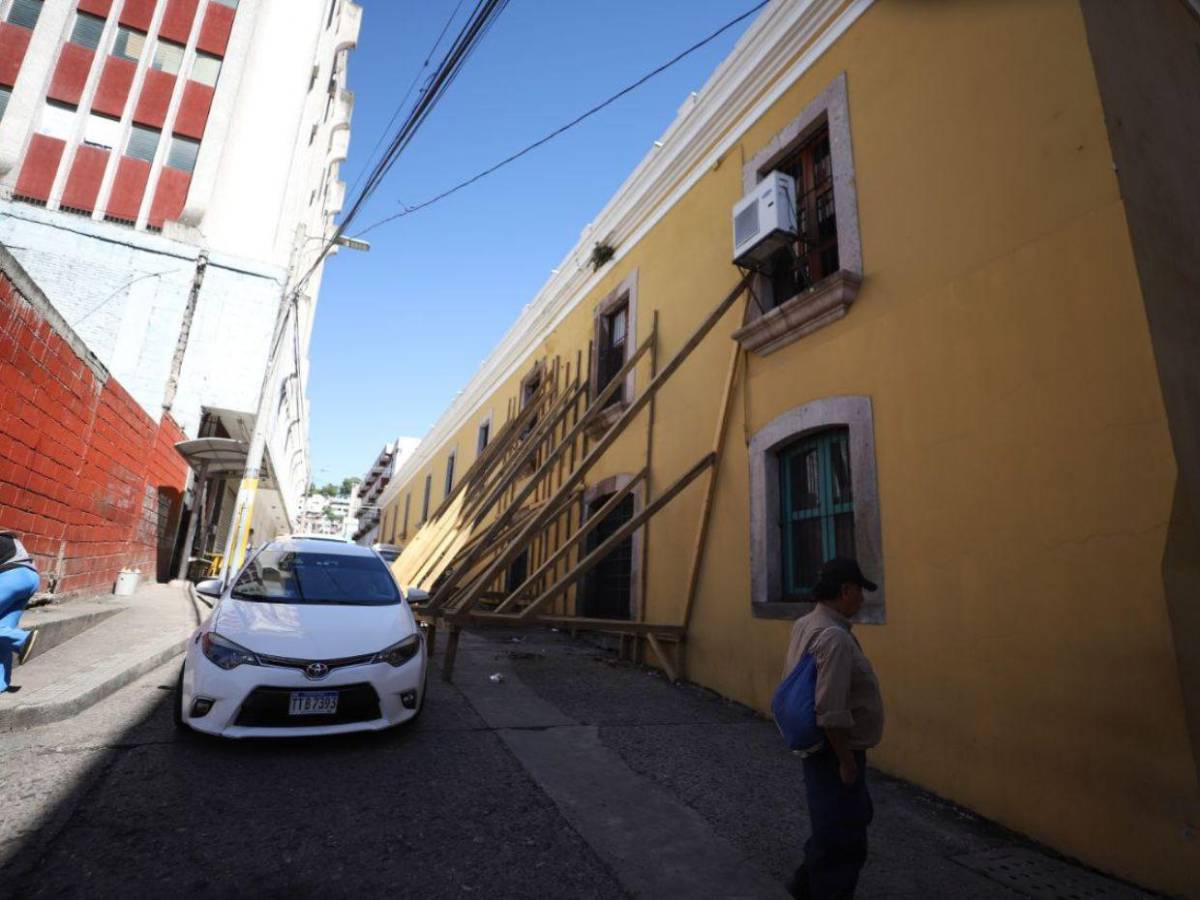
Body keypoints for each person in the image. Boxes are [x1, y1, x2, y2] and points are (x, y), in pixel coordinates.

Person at [782, 558, 884, 900]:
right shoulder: (835, 638)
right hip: (835, 749)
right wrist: (847, 762)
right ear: (846, 590)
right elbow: (830, 712)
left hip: (816, 746)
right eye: (860, 592)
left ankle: (804, 886)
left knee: (833, 824)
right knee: (844, 842)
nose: (862, 600)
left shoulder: (805, 623)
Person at [0, 531, 41, 693]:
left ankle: (22, 639)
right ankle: (1, 684)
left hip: (11, 578)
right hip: (30, 578)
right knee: (3, 632)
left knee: (6, 634)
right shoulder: (8, 539)